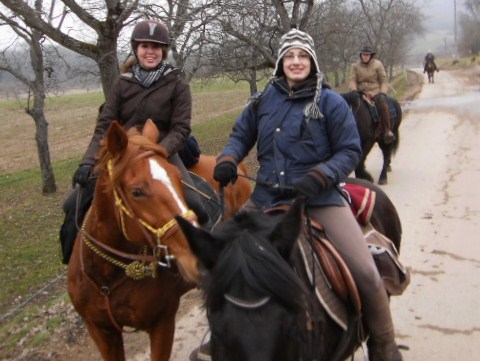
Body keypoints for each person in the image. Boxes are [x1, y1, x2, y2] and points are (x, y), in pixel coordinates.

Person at [209, 29, 403, 361]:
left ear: (311, 61)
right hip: (266, 199)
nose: (296, 61)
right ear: (281, 63)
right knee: (217, 259)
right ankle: (224, 337)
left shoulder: (330, 102)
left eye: (302, 56)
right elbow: (241, 135)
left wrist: (321, 176)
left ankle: (385, 346)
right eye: (289, 56)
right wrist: (228, 159)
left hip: (319, 200)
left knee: (367, 274)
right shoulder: (261, 101)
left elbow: (348, 150)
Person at [66, 19, 210, 231]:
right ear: (136, 49)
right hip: (123, 154)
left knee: (196, 205)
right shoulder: (122, 83)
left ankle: (202, 257)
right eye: (145, 46)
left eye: (156, 47)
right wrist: (88, 162)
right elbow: (105, 125)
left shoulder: (177, 84)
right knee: (72, 205)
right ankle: (73, 259)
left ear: (163, 51)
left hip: (162, 152)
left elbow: (181, 128)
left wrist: (158, 151)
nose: (150, 52)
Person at [349, 45, 396, 144]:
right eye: (363, 55)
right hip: (360, 91)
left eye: (367, 55)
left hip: (375, 91)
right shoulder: (355, 66)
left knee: (382, 104)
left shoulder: (378, 64)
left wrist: (383, 92)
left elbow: (383, 80)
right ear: (361, 55)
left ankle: (387, 130)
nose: (365, 57)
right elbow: (352, 80)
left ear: (371, 56)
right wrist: (353, 90)